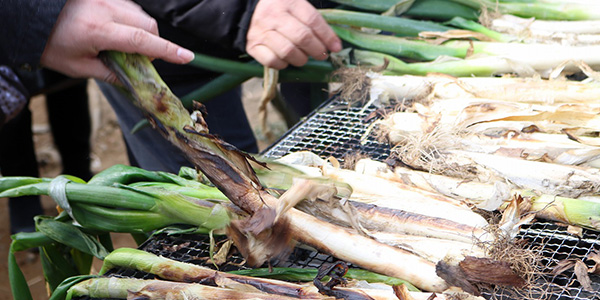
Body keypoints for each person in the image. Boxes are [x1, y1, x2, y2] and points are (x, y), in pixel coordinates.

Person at [0, 0, 195, 233]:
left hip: (63, 20)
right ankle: (23, 202)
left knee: (68, 94)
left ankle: (79, 179)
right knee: (14, 120)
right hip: (22, 24)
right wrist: (39, 16)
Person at [97, 0, 342, 173]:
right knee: (218, 185)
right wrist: (240, 10)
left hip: (224, 38)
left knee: (245, 168)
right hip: (162, 56)